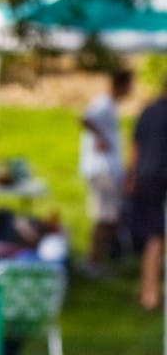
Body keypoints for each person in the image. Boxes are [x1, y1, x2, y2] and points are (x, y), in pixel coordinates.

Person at [79, 68, 134, 273]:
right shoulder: (103, 104)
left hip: (109, 171)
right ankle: (93, 262)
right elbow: (85, 119)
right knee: (104, 217)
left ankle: (100, 259)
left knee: (109, 217)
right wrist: (100, 137)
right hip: (102, 171)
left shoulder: (110, 106)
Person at [127, 75, 167, 311]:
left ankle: (148, 290)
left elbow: (135, 146)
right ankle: (151, 295)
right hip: (160, 179)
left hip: (144, 179)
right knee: (156, 238)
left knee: (154, 238)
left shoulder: (148, 111)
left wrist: (132, 175)